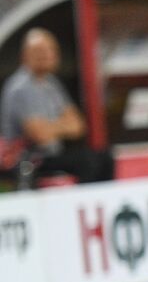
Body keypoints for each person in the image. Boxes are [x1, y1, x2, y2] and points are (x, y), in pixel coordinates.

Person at [1, 28, 114, 184]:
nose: (46, 55)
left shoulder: (51, 84)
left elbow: (78, 126)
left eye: (50, 50)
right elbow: (40, 136)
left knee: (104, 157)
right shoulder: (21, 86)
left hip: (50, 154)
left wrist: (51, 127)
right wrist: (62, 125)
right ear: (25, 55)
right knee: (86, 161)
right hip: (27, 159)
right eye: (39, 51)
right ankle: (78, 204)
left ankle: (100, 202)